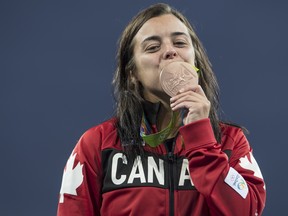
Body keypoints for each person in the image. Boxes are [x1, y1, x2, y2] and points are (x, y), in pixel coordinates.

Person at [57, 3, 266, 216]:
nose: (170, 51)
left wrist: (203, 140)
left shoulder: (231, 143)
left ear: (195, 62)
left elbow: (247, 212)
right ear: (132, 74)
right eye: (153, 47)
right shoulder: (98, 145)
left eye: (180, 42)